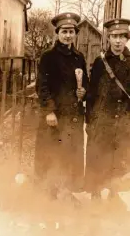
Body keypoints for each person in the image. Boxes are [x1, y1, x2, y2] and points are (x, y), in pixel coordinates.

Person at [85, 18, 130, 200]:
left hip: (123, 121)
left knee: (119, 160)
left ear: (127, 38)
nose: (118, 41)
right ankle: (96, 195)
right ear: (108, 38)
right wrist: (89, 121)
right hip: (102, 120)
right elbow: (91, 94)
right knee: (98, 158)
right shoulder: (100, 62)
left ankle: (115, 197)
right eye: (114, 36)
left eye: (122, 36)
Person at [35, 12, 88, 200]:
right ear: (57, 33)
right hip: (55, 117)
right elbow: (42, 86)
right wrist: (49, 111)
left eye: (71, 31)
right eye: (64, 31)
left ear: (75, 33)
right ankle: (49, 197)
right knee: (52, 155)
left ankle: (68, 197)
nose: (68, 35)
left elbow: (85, 83)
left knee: (70, 156)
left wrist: (84, 92)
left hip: (73, 116)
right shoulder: (48, 57)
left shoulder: (79, 57)